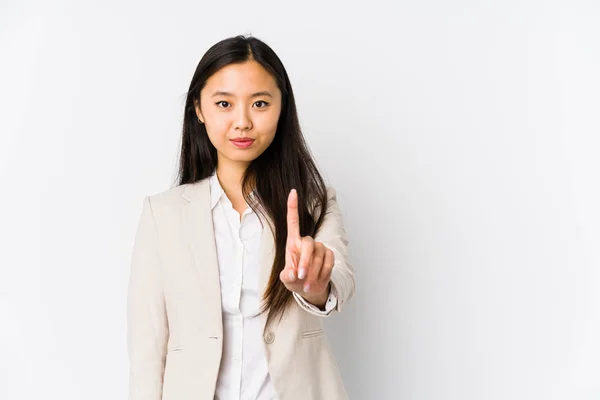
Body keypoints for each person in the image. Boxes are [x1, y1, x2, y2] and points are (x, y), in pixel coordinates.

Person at [127, 34, 356, 400]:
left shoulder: (313, 201)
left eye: (260, 103)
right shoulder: (163, 214)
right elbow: (148, 347)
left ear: (283, 109)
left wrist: (314, 287)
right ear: (199, 109)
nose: (243, 122)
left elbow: (339, 278)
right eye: (224, 104)